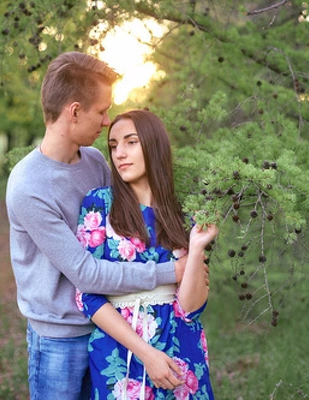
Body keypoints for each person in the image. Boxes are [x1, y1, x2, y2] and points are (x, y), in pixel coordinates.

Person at [5, 52, 194, 400]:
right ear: (74, 111)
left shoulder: (94, 161)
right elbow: (87, 274)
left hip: (109, 329)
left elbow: (130, 227)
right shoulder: (28, 186)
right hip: (58, 340)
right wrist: (171, 272)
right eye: (101, 111)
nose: (107, 121)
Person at [76, 109, 217, 399]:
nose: (119, 154)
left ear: (153, 145)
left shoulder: (184, 212)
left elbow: (191, 307)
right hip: (119, 351)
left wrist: (198, 247)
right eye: (113, 146)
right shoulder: (100, 204)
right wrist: (146, 354)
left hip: (180, 346)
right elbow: (86, 295)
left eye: (131, 142)